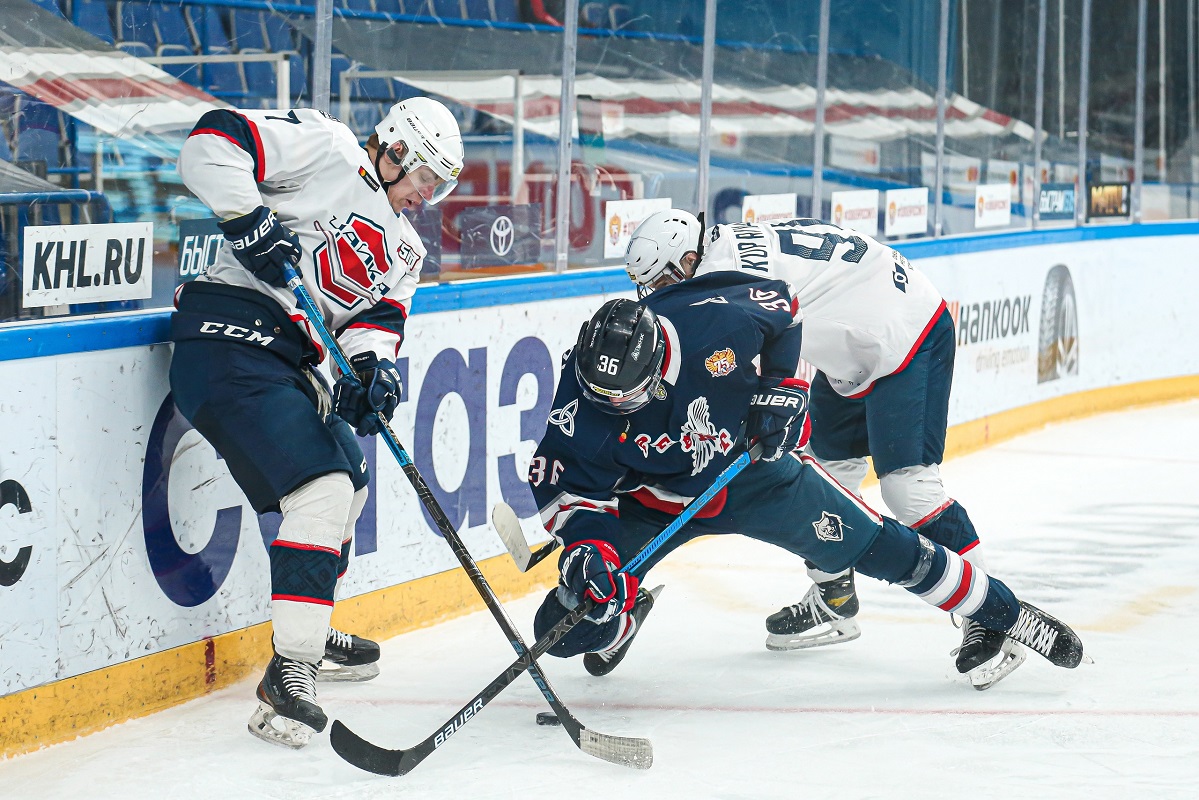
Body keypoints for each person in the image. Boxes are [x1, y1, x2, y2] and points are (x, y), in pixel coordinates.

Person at [526, 283, 1085, 686]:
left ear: (660, 361)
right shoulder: (579, 399)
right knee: (567, 628)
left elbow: (786, 310)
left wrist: (783, 390)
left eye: (631, 394)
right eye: (608, 398)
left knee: (887, 549)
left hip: (753, 475)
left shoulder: (708, 320)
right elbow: (571, 492)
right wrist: (588, 553)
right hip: (653, 504)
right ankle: (620, 615)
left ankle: (1007, 614)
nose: (619, 406)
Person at [623, 210, 1024, 689]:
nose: (653, 294)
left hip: (908, 335)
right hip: (856, 335)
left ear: (689, 259)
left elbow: (742, 360)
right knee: (825, 477)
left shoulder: (723, 279)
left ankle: (991, 612)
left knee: (907, 488)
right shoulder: (722, 245)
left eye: (661, 279)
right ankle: (834, 596)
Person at [170, 98, 463, 747]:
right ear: (394, 149)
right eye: (425, 177)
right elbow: (210, 143)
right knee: (324, 487)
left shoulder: (407, 250)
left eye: (438, 186)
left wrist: (370, 374)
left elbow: (372, 325)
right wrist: (246, 216)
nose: (427, 194)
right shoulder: (329, 149)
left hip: (285, 360)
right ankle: (290, 673)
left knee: (348, 477)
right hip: (227, 335)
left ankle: (310, 622)